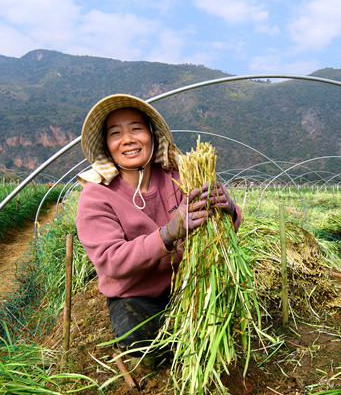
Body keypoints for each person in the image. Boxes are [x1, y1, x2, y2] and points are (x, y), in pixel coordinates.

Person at [75, 94, 240, 356]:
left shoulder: (178, 175)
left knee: (230, 314)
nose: (127, 139)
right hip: (138, 294)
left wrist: (229, 209)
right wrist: (166, 235)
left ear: (152, 136)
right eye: (115, 133)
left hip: (188, 281)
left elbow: (216, 230)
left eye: (136, 129)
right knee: (139, 336)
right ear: (107, 146)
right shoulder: (97, 195)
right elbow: (111, 261)